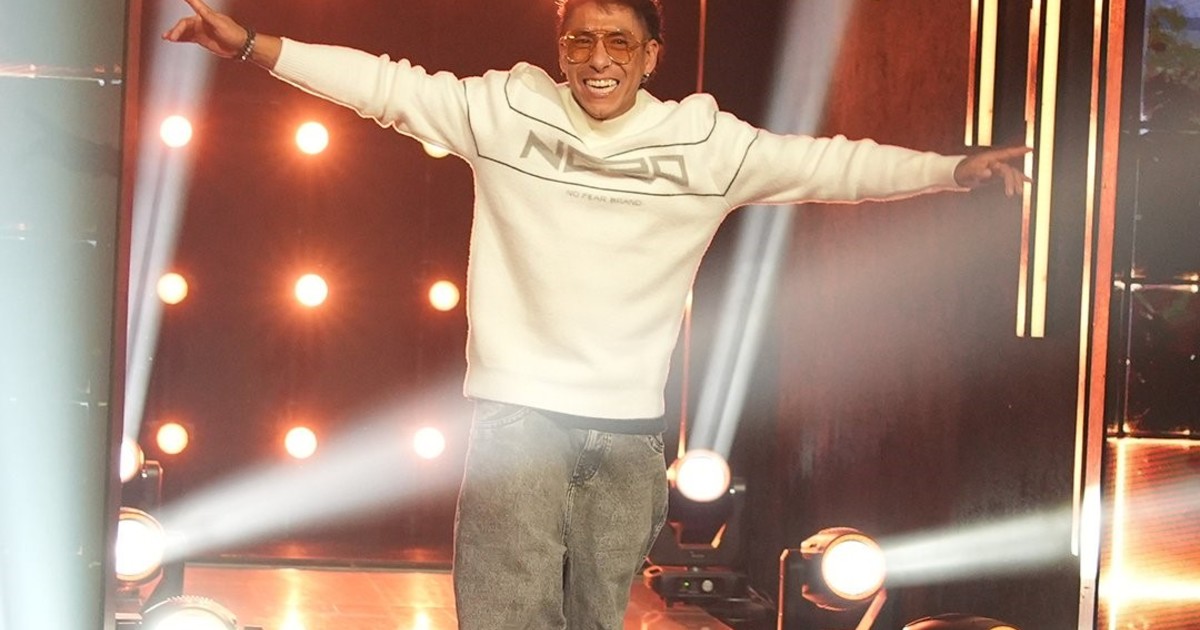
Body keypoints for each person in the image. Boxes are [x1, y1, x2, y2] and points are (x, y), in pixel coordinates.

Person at [163, 0, 1029, 627]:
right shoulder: (505, 112)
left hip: (628, 434)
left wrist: (951, 171)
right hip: (518, 417)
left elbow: (832, 166)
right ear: (561, 48)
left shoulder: (706, 145)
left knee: (596, 618)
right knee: (507, 614)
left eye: (618, 41)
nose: (597, 58)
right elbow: (383, 86)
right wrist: (252, 46)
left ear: (651, 56)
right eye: (580, 39)